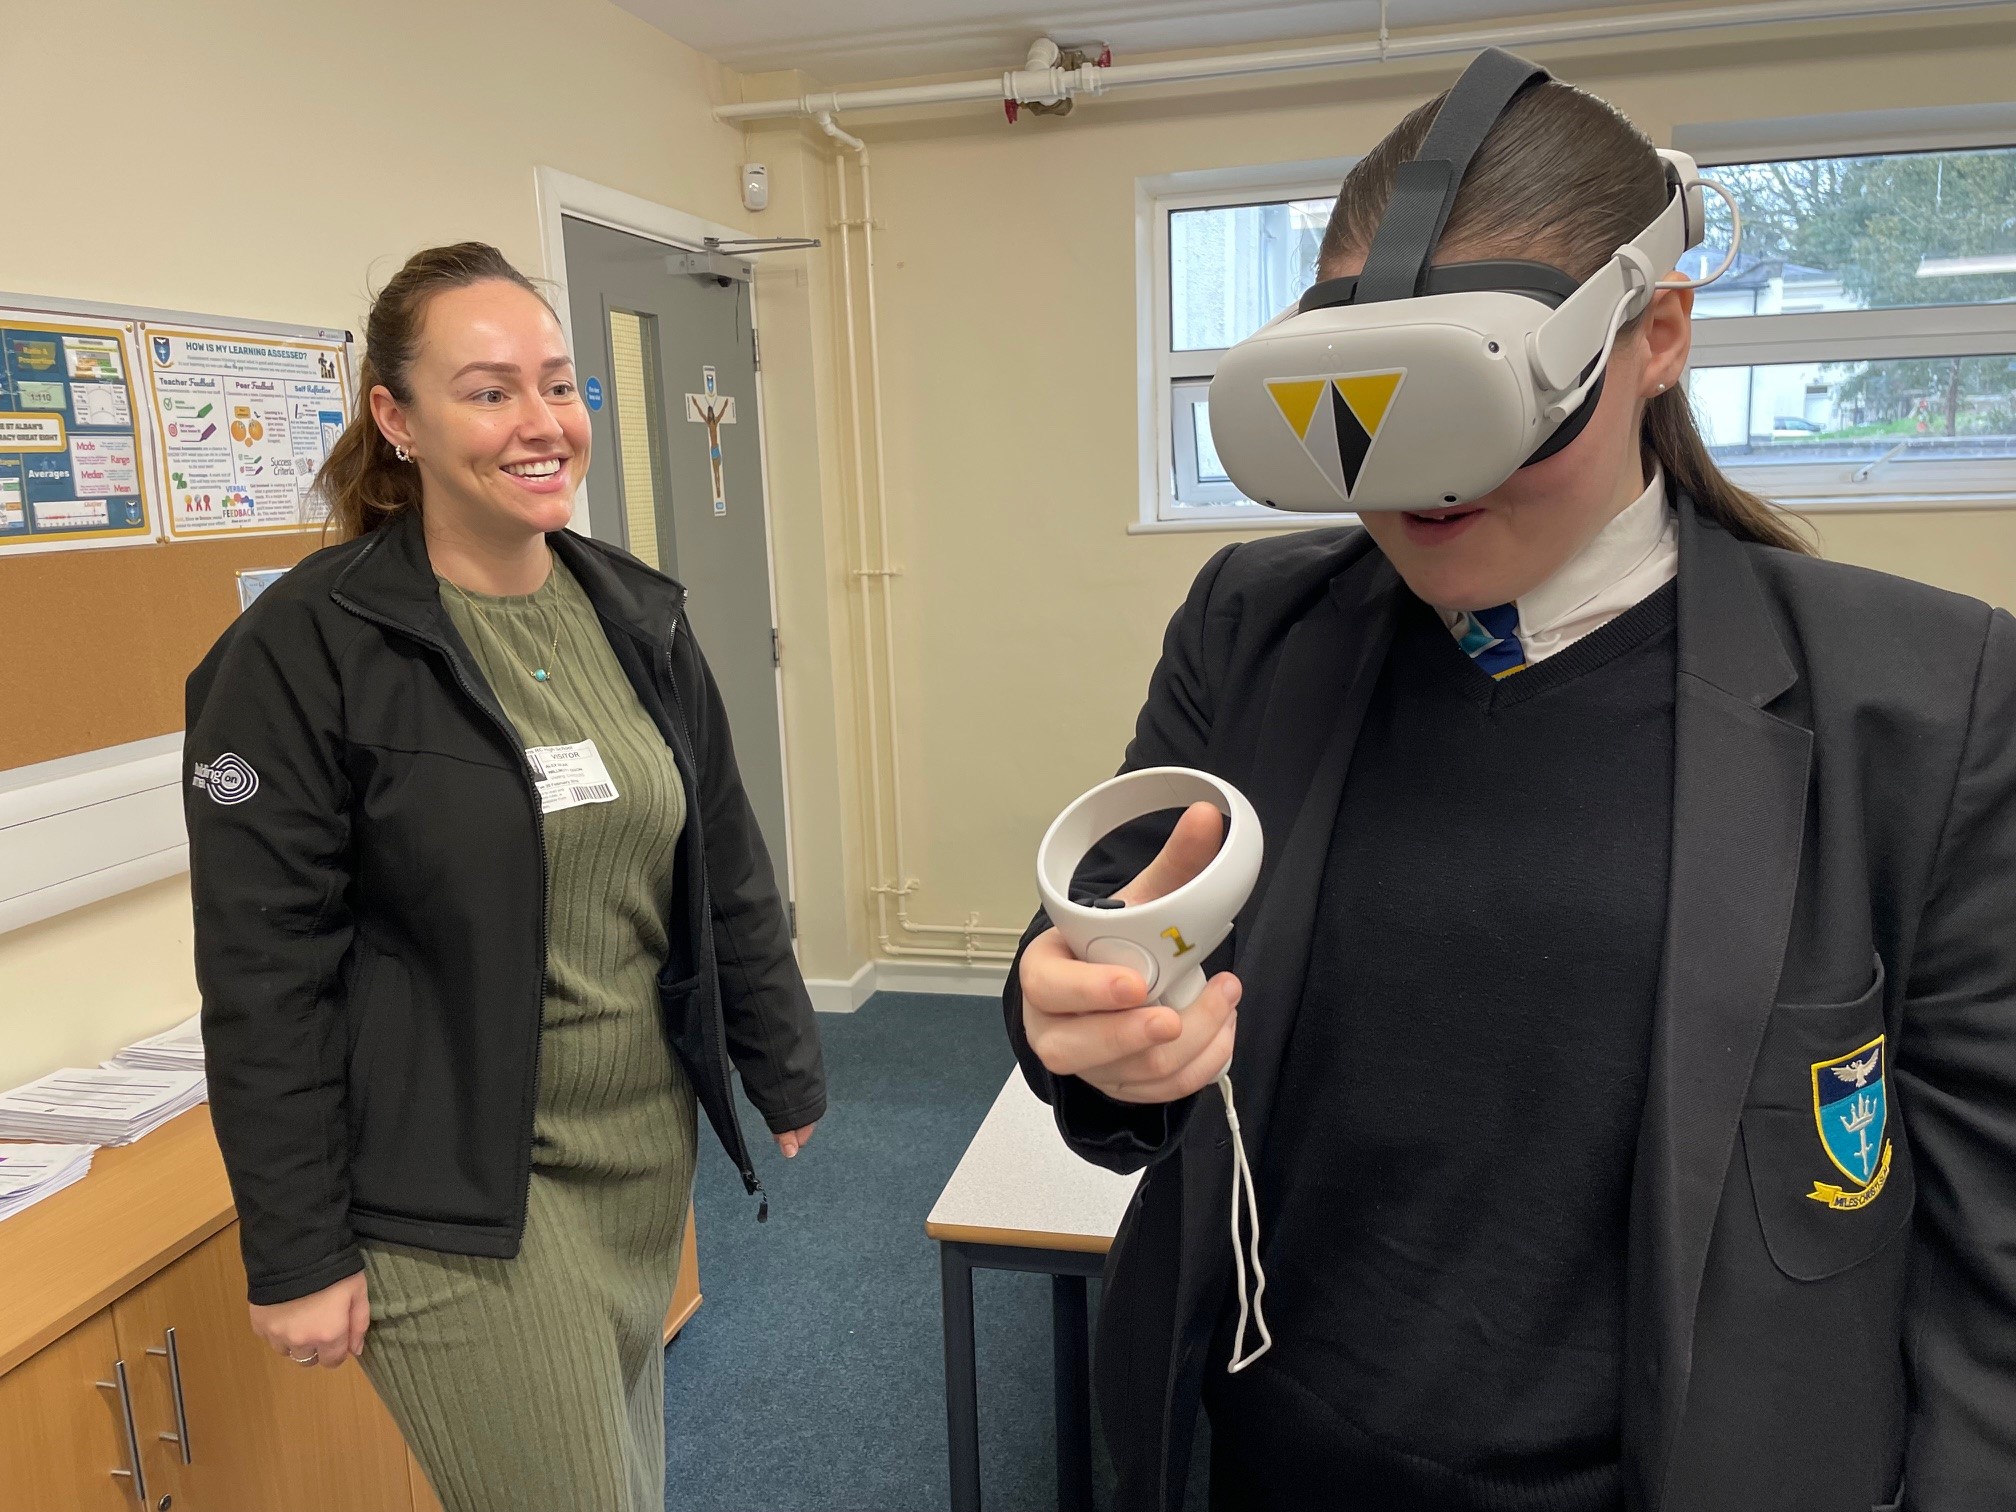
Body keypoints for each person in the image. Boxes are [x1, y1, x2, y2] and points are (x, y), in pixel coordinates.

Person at [1006, 67, 2015, 1512]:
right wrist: (1079, 1026)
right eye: (1362, 411)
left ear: (1655, 337)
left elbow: (1996, 1255)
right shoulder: (1255, 627)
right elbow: (1114, 957)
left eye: (1485, 404)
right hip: (1269, 1444)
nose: (1426, 490)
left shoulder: (1925, 702)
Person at [184, 242, 825, 1512]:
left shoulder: (631, 614)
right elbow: (266, 978)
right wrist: (296, 1249)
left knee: (626, 1477)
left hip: (641, 1156)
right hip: (461, 1200)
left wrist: (779, 1056)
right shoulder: (304, 653)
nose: (542, 425)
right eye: (488, 392)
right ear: (395, 418)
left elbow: (723, 857)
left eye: (560, 384)